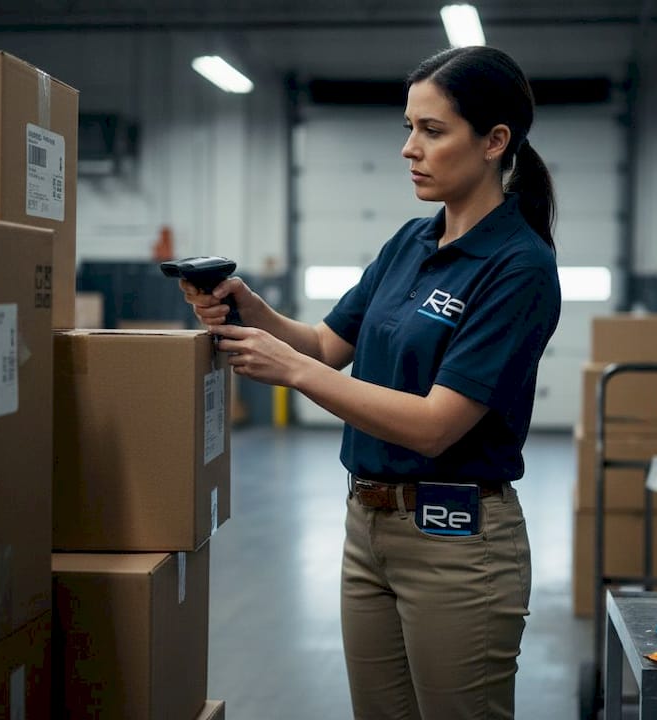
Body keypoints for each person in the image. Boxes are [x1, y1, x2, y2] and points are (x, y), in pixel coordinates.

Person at [180, 46, 561, 720]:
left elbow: (436, 424)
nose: (410, 149)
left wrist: (289, 371)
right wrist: (248, 307)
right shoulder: (410, 242)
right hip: (367, 527)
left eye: (433, 131)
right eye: (408, 129)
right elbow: (328, 345)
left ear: (495, 141)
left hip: (457, 541)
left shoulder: (518, 267)